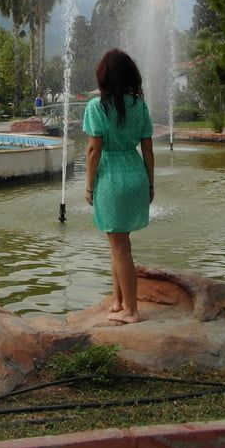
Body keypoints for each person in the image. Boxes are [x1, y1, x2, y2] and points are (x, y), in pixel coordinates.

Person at [82, 49, 155, 324]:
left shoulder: (96, 107)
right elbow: (148, 148)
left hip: (111, 178)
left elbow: (93, 151)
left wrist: (89, 186)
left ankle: (132, 311)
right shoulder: (140, 105)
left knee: (119, 246)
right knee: (117, 241)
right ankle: (118, 300)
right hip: (135, 172)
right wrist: (150, 182)